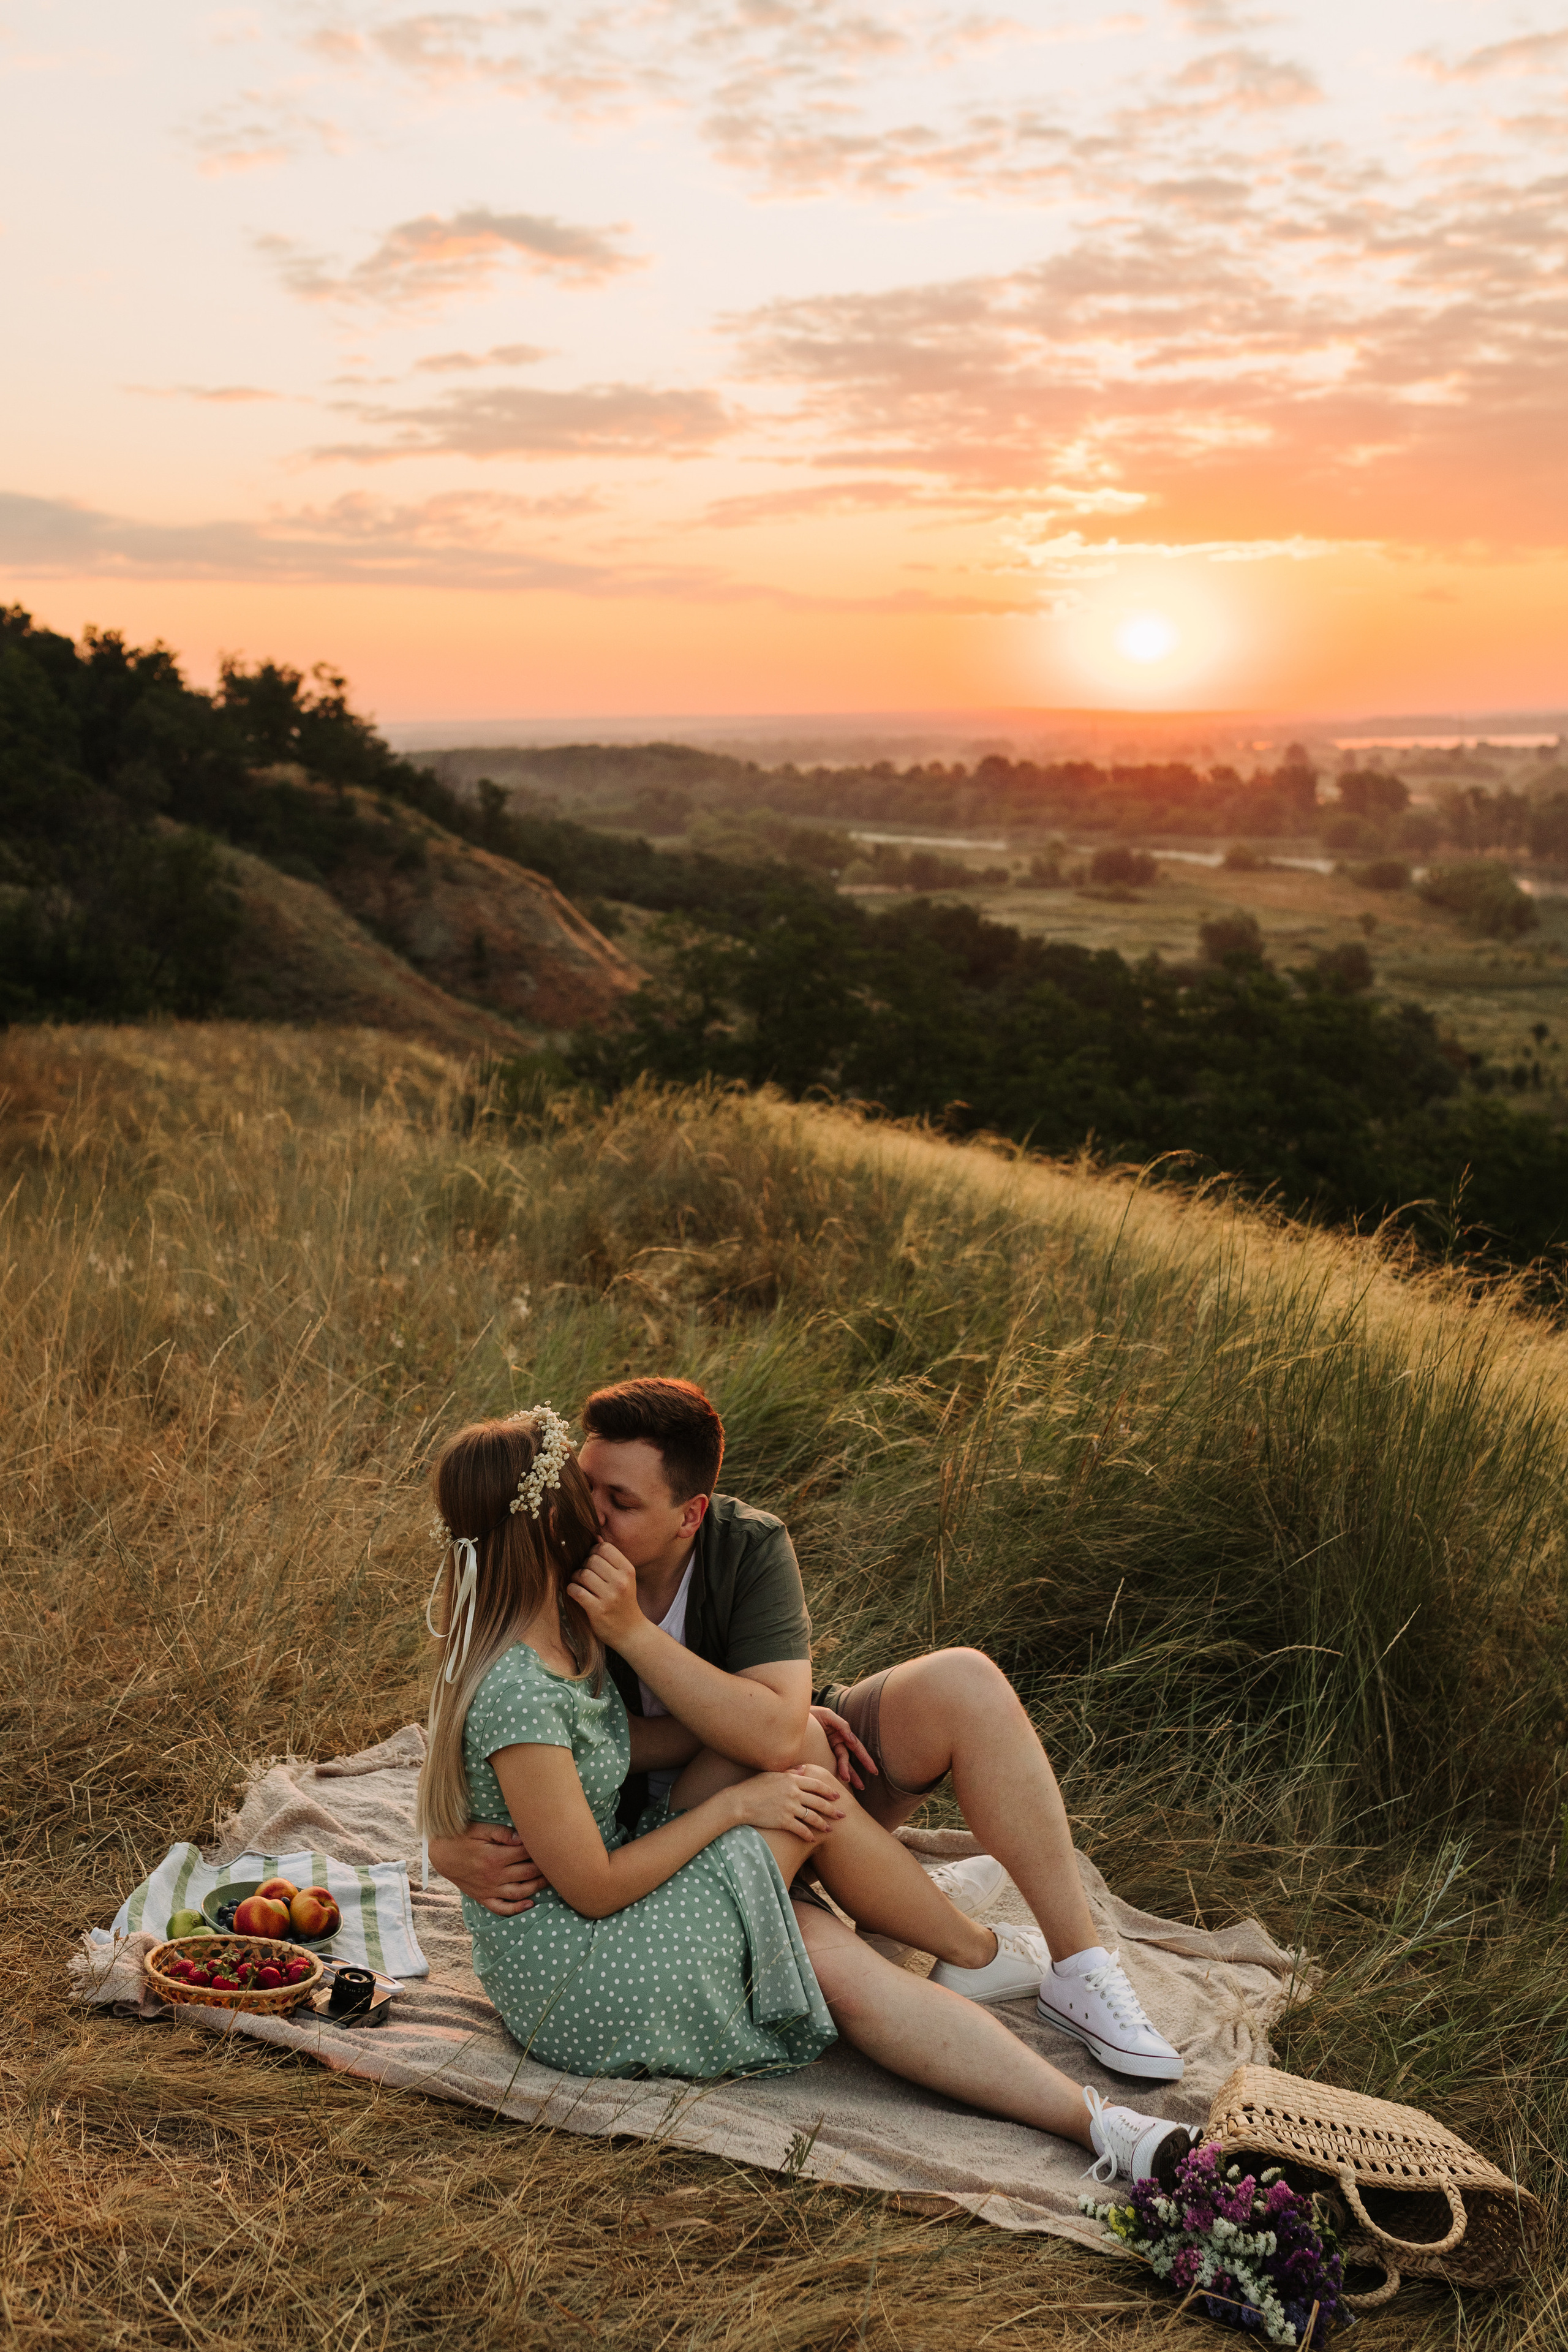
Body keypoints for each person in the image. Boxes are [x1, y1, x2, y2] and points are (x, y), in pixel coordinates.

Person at [417, 1406, 1194, 2186]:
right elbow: (587, 1881)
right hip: (591, 1965)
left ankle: (1100, 2124)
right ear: (553, 1524)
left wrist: (780, 1718)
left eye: (614, 1499)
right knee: (798, 1795)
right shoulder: (527, 1669)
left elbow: (605, 1745)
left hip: (604, 1916)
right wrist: (737, 1806)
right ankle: (974, 1952)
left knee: (835, 1946)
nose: (600, 1510)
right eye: (587, 1496)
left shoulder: (574, 1612)